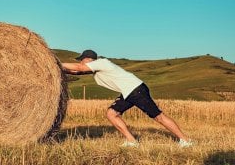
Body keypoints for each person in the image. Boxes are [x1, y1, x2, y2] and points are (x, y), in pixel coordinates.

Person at [62, 49, 193, 148]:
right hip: (128, 92)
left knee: (158, 116)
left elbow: (79, 68)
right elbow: (78, 71)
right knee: (112, 113)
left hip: (136, 90)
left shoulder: (101, 63)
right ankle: (132, 141)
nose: (79, 62)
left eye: (81, 59)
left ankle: (185, 140)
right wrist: (58, 69)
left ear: (88, 59)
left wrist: (57, 61)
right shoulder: (96, 69)